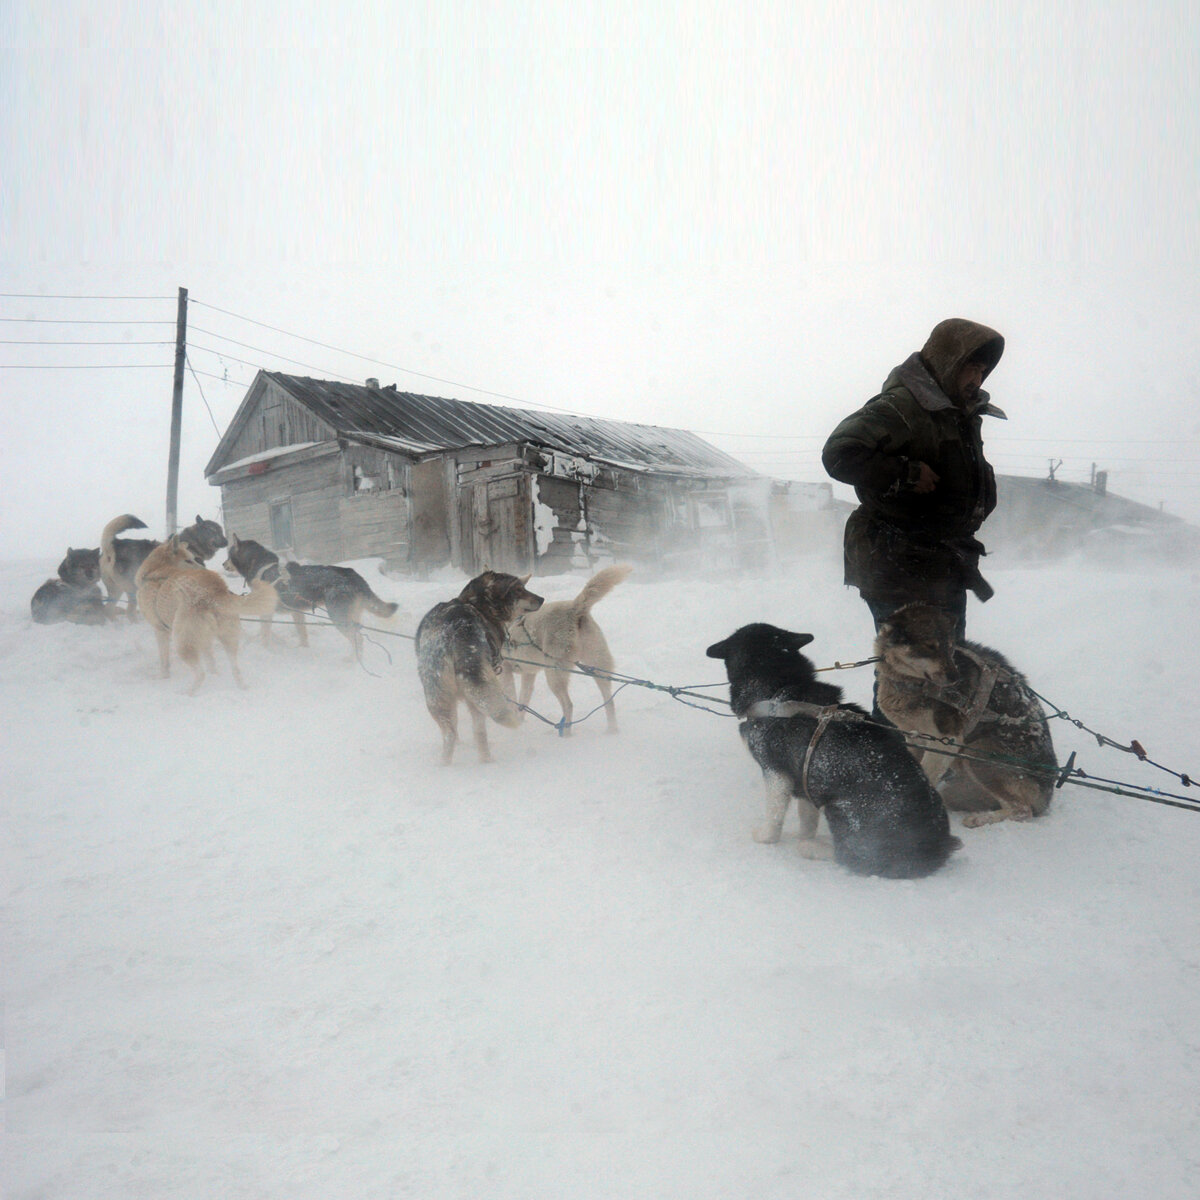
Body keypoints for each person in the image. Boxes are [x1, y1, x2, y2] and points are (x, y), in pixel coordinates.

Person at [822, 317, 1007, 647]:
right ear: (947, 362)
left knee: (947, 665)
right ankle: (897, 701)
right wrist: (904, 475)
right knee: (909, 672)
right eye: (969, 368)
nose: (976, 379)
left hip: (941, 564)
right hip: (897, 564)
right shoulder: (904, 406)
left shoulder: (958, 414)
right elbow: (839, 454)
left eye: (981, 370)